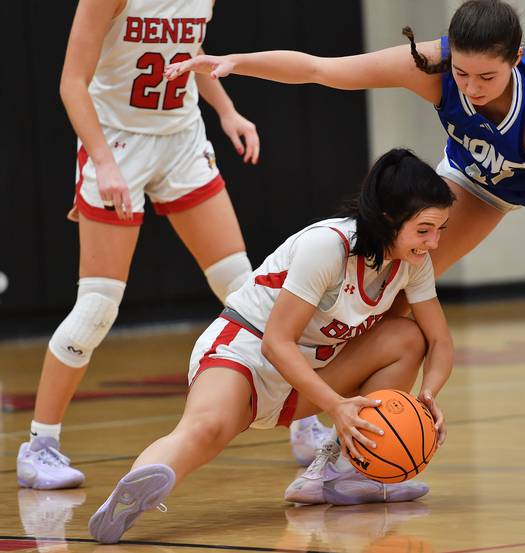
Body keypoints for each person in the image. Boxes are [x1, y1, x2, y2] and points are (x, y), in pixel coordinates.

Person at [165, 0, 525, 495]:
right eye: (462, 75)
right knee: (392, 291)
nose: (469, 88)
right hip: (480, 172)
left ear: (515, 61)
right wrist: (239, 63)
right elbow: (322, 69)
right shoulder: (432, 67)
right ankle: (347, 456)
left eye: (485, 79)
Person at [16, 0, 329, 492]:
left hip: (181, 139)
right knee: (96, 307)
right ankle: (40, 447)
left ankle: (303, 421)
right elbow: (71, 82)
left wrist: (227, 111)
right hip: (116, 141)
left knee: (246, 289)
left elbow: (185, 49)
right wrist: (104, 163)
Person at [88, 148, 455, 544]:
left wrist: (428, 394)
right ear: (388, 218)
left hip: (306, 373)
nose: (433, 242)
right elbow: (276, 344)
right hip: (243, 350)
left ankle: (339, 471)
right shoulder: (327, 247)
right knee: (204, 429)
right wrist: (335, 405)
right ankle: (131, 493)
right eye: (424, 230)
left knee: (405, 337)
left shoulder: (413, 263)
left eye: (439, 230)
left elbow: (439, 340)